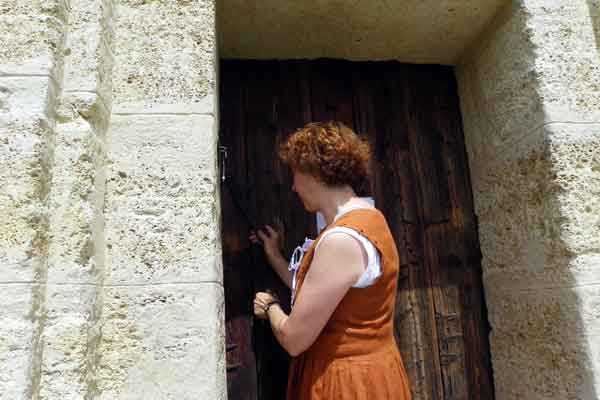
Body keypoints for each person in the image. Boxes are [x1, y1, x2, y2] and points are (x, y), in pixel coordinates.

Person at [250, 121, 412, 400]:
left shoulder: (341, 240)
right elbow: (322, 295)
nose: (293, 187)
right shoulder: (371, 220)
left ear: (314, 172)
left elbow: (294, 338)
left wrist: (271, 307)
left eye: (296, 175)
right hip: (372, 375)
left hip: (347, 385)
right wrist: (275, 257)